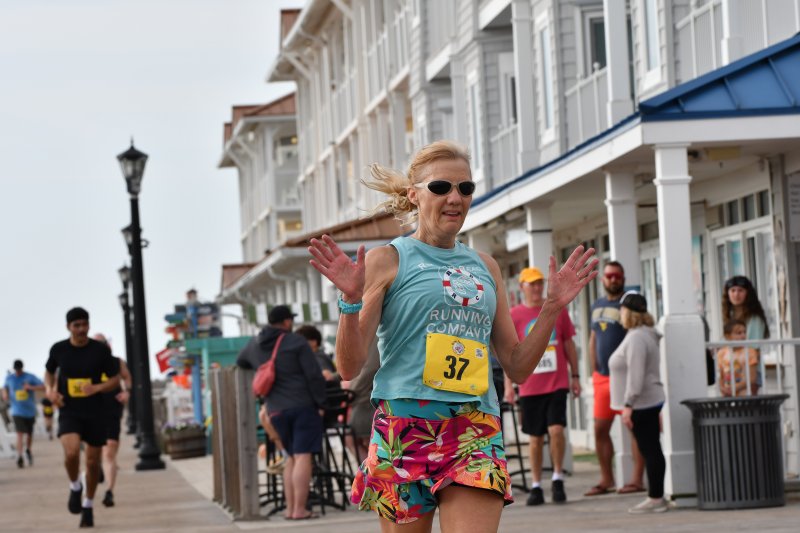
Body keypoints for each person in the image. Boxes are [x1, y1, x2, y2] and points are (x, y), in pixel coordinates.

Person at [308, 140, 597, 532]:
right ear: (414, 195)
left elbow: (517, 366)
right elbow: (349, 366)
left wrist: (551, 307)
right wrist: (350, 301)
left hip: (473, 427)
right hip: (405, 426)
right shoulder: (387, 260)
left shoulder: (486, 266)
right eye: (441, 187)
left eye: (465, 188)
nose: (455, 198)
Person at [236, 304, 327, 520]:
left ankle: (290, 509)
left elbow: (241, 361)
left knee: (290, 457)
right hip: (302, 406)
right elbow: (313, 375)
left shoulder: (255, 343)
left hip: (275, 410)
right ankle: (300, 510)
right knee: (303, 456)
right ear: (287, 321)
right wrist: (322, 404)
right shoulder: (296, 341)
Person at [510, 267, 581, 506]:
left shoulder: (557, 310)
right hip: (530, 385)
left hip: (557, 382)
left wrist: (575, 375)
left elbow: (569, 343)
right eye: (532, 284)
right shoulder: (515, 315)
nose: (537, 288)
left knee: (556, 430)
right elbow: (510, 352)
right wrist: (509, 386)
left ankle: (558, 477)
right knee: (535, 438)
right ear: (522, 287)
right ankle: (537, 484)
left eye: (540, 283)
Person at [45, 307, 121, 528]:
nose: (81, 329)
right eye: (76, 325)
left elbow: (115, 379)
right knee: (71, 453)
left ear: (89, 324)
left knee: (92, 462)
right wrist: (50, 391)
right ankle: (75, 486)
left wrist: (97, 388)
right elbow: (49, 372)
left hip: (95, 411)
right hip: (69, 409)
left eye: (84, 324)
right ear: (68, 327)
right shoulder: (59, 349)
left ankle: (88, 505)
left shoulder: (100, 350)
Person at [586, 261, 646, 496]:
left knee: (635, 427)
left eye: (617, 276)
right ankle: (606, 478)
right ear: (603, 279)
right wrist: (593, 368)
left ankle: (637, 479)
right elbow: (593, 337)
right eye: (609, 276)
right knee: (600, 429)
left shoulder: (629, 305)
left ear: (623, 278)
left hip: (624, 377)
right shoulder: (597, 305)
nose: (613, 279)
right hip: (602, 377)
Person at [608, 292, 667, 514]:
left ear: (628, 312)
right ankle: (656, 496)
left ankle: (656, 498)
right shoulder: (642, 334)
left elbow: (636, 374)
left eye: (622, 309)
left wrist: (628, 404)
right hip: (647, 401)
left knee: (650, 450)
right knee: (651, 448)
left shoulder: (636, 338)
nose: (620, 313)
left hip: (642, 402)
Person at [92, 334, 133, 508]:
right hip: (91, 412)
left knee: (109, 452)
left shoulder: (117, 362)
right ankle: (99, 467)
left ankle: (109, 491)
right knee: (95, 452)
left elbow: (127, 377)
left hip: (112, 411)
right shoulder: (85, 363)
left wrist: (126, 392)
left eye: (102, 343)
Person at [722, 276, 769, 395]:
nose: (736, 294)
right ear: (728, 294)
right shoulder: (729, 316)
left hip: (749, 372)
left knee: (748, 405)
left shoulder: (755, 318)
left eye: (740, 290)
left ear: (748, 293)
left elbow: (753, 349)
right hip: (732, 371)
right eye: (733, 290)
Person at [3, 359, 45, 468]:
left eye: (19, 370)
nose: (18, 372)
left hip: (30, 411)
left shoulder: (30, 377)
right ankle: (19, 456)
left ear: (22, 368)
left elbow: (43, 386)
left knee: (29, 434)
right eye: (16, 370)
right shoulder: (10, 378)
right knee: (20, 433)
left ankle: (28, 450)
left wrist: (30, 387)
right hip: (16, 410)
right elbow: (5, 387)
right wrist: (5, 395)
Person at [716, 319, 758, 397]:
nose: (743, 335)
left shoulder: (750, 352)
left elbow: (752, 378)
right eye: (739, 333)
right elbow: (720, 376)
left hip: (745, 394)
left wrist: (734, 388)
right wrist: (722, 388)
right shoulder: (721, 353)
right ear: (727, 336)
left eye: (744, 332)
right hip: (727, 394)